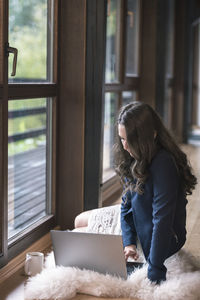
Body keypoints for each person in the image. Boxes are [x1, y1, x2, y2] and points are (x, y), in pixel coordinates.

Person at [75, 101, 197, 284]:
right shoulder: (135, 156)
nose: (124, 146)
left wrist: (154, 270)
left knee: (79, 230)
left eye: (128, 140)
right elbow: (126, 206)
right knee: (79, 221)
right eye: (121, 138)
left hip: (158, 234)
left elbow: (162, 220)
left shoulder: (164, 164)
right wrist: (128, 242)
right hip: (138, 218)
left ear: (152, 135)